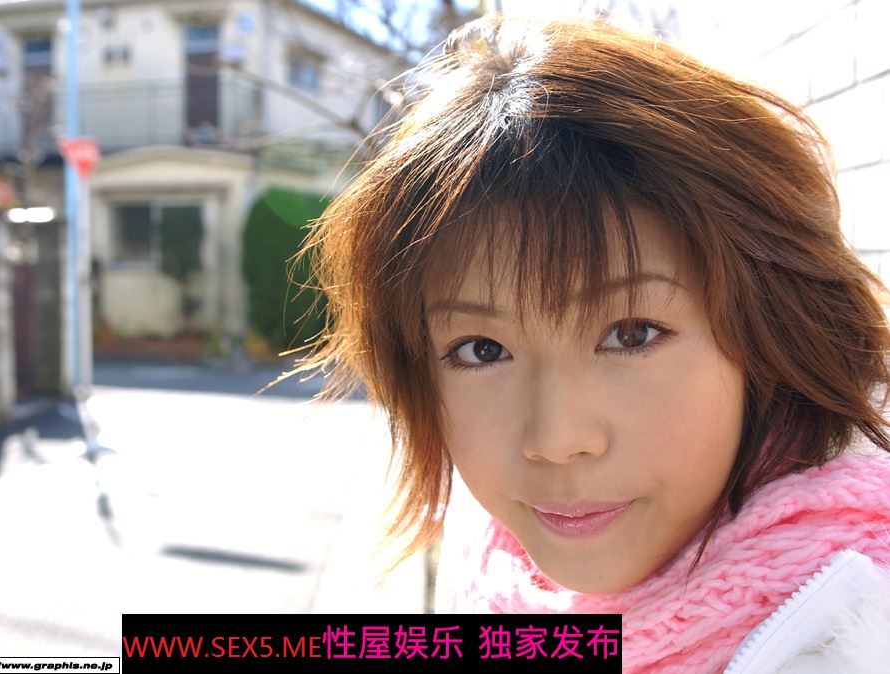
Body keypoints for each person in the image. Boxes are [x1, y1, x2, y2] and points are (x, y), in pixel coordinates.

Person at [286, 14, 890, 673]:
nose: (555, 439)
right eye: (481, 350)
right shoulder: (488, 567)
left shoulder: (857, 633)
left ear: (769, 331)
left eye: (631, 334)